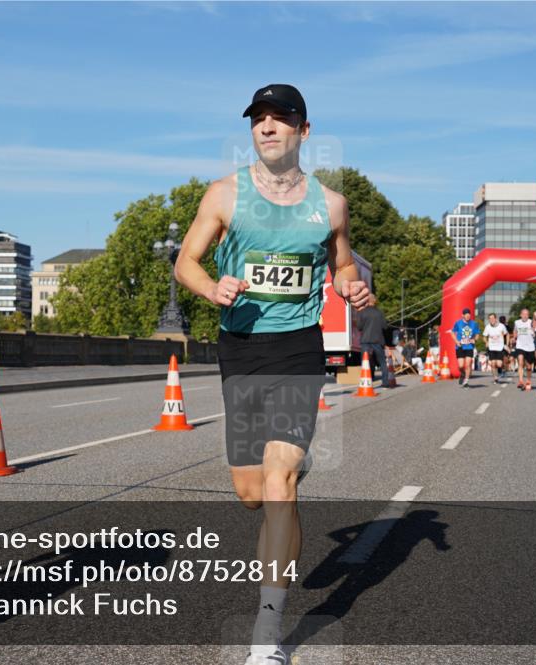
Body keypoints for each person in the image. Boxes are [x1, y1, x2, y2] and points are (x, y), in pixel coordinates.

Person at [174, 83, 370, 665]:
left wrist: (352, 286)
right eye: (258, 118)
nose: (267, 126)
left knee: (279, 481)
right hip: (240, 347)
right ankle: (290, 458)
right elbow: (185, 261)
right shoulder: (223, 195)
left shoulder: (330, 204)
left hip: (298, 350)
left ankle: (268, 632)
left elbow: (340, 266)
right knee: (251, 495)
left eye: (280, 118)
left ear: (303, 131)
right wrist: (213, 286)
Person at [357, 294, 390, 386]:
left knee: (365, 361)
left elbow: (359, 327)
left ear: (367, 301)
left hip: (365, 340)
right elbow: (385, 326)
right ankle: (385, 382)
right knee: (382, 361)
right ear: (375, 301)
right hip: (377, 340)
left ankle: (366, 381)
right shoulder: (380, 313)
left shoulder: (362, 312)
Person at [449, 308, 480, 387]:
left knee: (468, 364)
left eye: (469, 314)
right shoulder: (458, 323)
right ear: (462, 315)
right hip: (460, 347)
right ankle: (462, 374)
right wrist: (456, 341)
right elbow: (452, 332)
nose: (468, 316)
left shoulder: (474, 324)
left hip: (469, 347)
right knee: (461, 366)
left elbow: (477, 334)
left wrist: (474, 339)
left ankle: (466, 381)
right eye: (466, 314)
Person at [512, 308, 535, 391]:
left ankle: (528, 380)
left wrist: (534, 333)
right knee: (520, 362)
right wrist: (514, 337)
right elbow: (515, 331)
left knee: (529, 367)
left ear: (528, 315)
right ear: (520, 315)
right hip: (520, 346)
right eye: (523, 314)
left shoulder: (531, 322)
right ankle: (521, 381)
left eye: (527, 314)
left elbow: (535, 332)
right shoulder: (517, 322)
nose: (525, 316)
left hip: (530, 347)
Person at [483, 313, 508, 384]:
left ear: (496, 319)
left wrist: (506, 344)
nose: (491, 320)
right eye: (490, 319)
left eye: (493, 318)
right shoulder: (487, 327)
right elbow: (484, 336)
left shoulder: (501, 326)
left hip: (500, 347)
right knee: (493, 363)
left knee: (499, 364)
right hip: (491, 348)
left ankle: (503, 369)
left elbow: (507, 334)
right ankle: (495, 378)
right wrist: (486, 342)